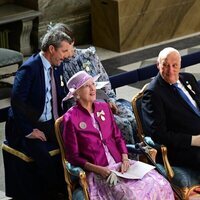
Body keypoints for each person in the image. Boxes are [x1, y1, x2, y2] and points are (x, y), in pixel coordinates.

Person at [62, 70, 174, 200]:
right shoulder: (70, 119)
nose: (92, 88)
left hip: (121, 165)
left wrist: (125, 159)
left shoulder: (103, 107)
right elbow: (73, 157)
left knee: (160, 183)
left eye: (93, 84)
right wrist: (100, 170)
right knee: (131, 196)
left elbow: (117, 137)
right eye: (87, 86)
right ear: (76, 93)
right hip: (99, 172)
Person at [5, 30, 74, 200]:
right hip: (27, 126)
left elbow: (60, 94)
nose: (66, 56)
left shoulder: (57, 66)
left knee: (75, 143)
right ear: (52, 49)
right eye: (63, 51)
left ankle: (71, 187)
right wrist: (29, 131)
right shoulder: (29, 69)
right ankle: (51, 194)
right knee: (44, 157)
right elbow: (17, 103)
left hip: (51, 121)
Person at [48, 22, 136, 145]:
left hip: (104, 101)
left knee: (132, 118)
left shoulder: (88, 55)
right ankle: (127, 158)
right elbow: (67, 98)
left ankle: (144, 155)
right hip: (85, 110)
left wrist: (110, 100)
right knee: (123, 125)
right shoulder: (58, 65)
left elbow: (105, 80)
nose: (66, 52)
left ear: (72, 41)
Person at [142, 47, 200, 169]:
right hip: (183, 147)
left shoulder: (188, 78)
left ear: (180, 64)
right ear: (158, 65)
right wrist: (194, 140)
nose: (171, 70)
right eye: (165, 65)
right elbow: (158, 134)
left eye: (175, 65)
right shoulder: (153, 93)